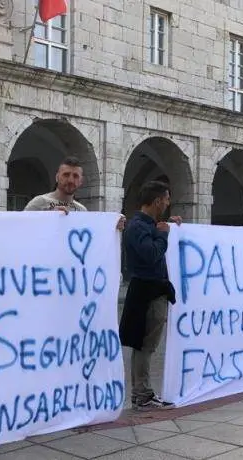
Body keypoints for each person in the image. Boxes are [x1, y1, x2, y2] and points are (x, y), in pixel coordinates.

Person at [119, 181, 181, 409]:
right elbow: (151, 253)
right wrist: (163, 235)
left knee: (142, 344)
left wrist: (170, 228)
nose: (167, 204)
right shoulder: (137, 226)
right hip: (148, 292)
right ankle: (143, 393)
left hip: (151, 290)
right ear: (157, 201)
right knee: (146, 345)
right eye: (166, 199)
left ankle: (140, 392)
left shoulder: (148, 225)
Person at [24, 155, 126, 231]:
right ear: (57, 177)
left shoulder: (82, 210)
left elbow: (92, 234)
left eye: (76, 176)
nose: (71, 180)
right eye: (66, 175)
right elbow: (21, 228)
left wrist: (113, 226)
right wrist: (48, 218)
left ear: (81, 181)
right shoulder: (39, 202)